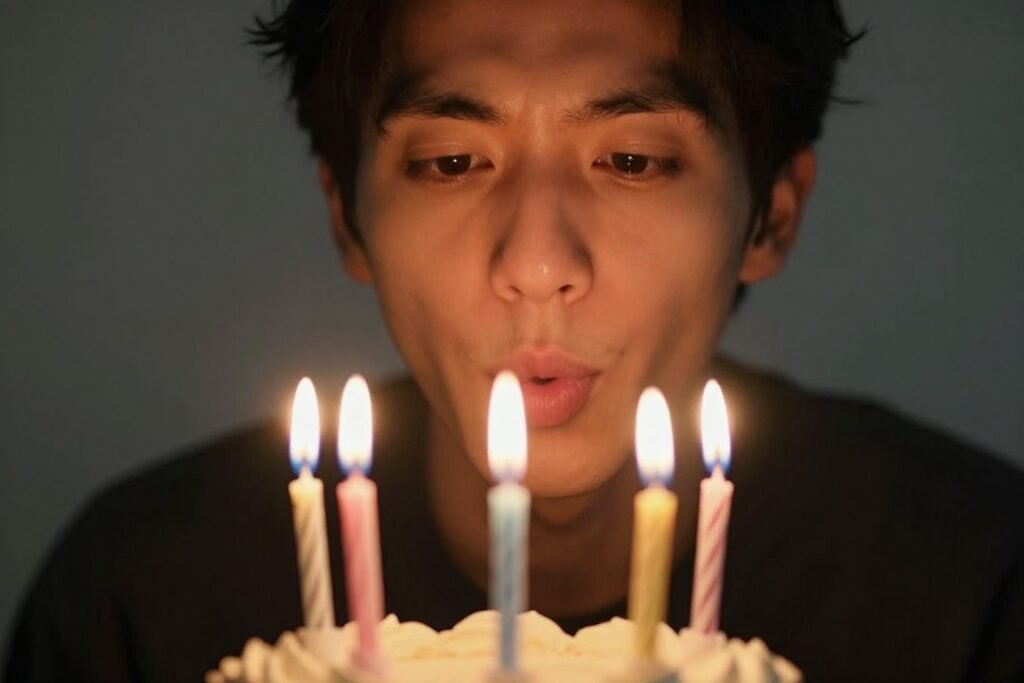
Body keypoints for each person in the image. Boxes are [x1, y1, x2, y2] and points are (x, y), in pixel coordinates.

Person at [6, 1, 1023, 681]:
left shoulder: (972, 581)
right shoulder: (144, 596)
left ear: (770, 216)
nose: (537, 262)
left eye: (630, 158)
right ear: (347, 218)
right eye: (451, 161)